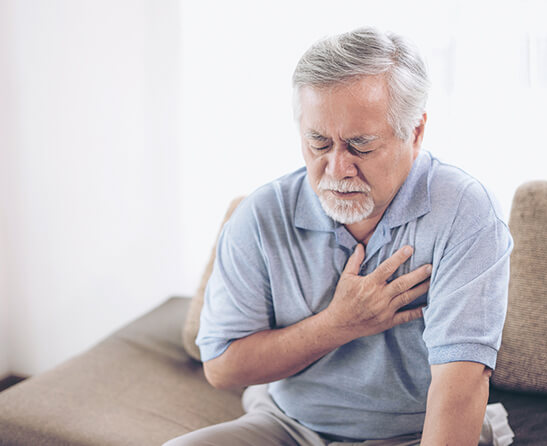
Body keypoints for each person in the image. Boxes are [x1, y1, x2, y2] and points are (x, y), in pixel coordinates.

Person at [164, 27, 513, 446]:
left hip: (411, 433)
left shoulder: (466, 212)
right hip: (289, 425)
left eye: (360, 146)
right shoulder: (260, 215)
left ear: (415, 132)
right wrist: (337, 324)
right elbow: (221, 367)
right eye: (318, 142)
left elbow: (461, 385)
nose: (335, 168)